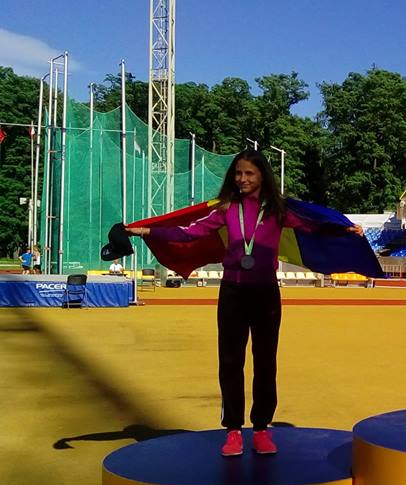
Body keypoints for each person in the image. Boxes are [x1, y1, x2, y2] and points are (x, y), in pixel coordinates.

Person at [127, 149, 362, 457]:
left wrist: (344, 228)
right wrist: (146, 230)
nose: (242, 179)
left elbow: (312, 225)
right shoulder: (226, 208)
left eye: (249, 173)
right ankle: (234, 431)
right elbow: (188, 233)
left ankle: (261, 428)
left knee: (265, 363)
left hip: (266, 294)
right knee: (230, 362)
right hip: (233, 294)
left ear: (262, 175)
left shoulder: (278, 210)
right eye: (238, 173)